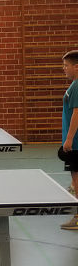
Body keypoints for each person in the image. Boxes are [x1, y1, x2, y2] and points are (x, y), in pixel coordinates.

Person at [59, 50, 78, 230]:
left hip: (76, 143)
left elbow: (77, 113)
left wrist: (69, 139)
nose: (64, 69)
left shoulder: (77, 86)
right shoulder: (74, 85)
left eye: (66, 66)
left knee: (77, 177)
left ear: (76, 66)